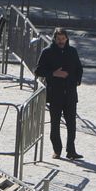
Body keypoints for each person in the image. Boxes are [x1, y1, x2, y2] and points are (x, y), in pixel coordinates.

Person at [35, 28, 83, 160]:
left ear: (67, 38)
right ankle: (57, 150)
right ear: (54, 39)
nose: (61, 41)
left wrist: (77, 80)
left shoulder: (72, 51)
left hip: (70, 94)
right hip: (55, 93)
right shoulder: (48, 52)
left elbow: (79, 68)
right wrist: (54, 73)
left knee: (71, 124)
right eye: (58, 39)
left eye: (63, 38)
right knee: (55, 124)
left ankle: (71, 150)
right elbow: (38, 70)